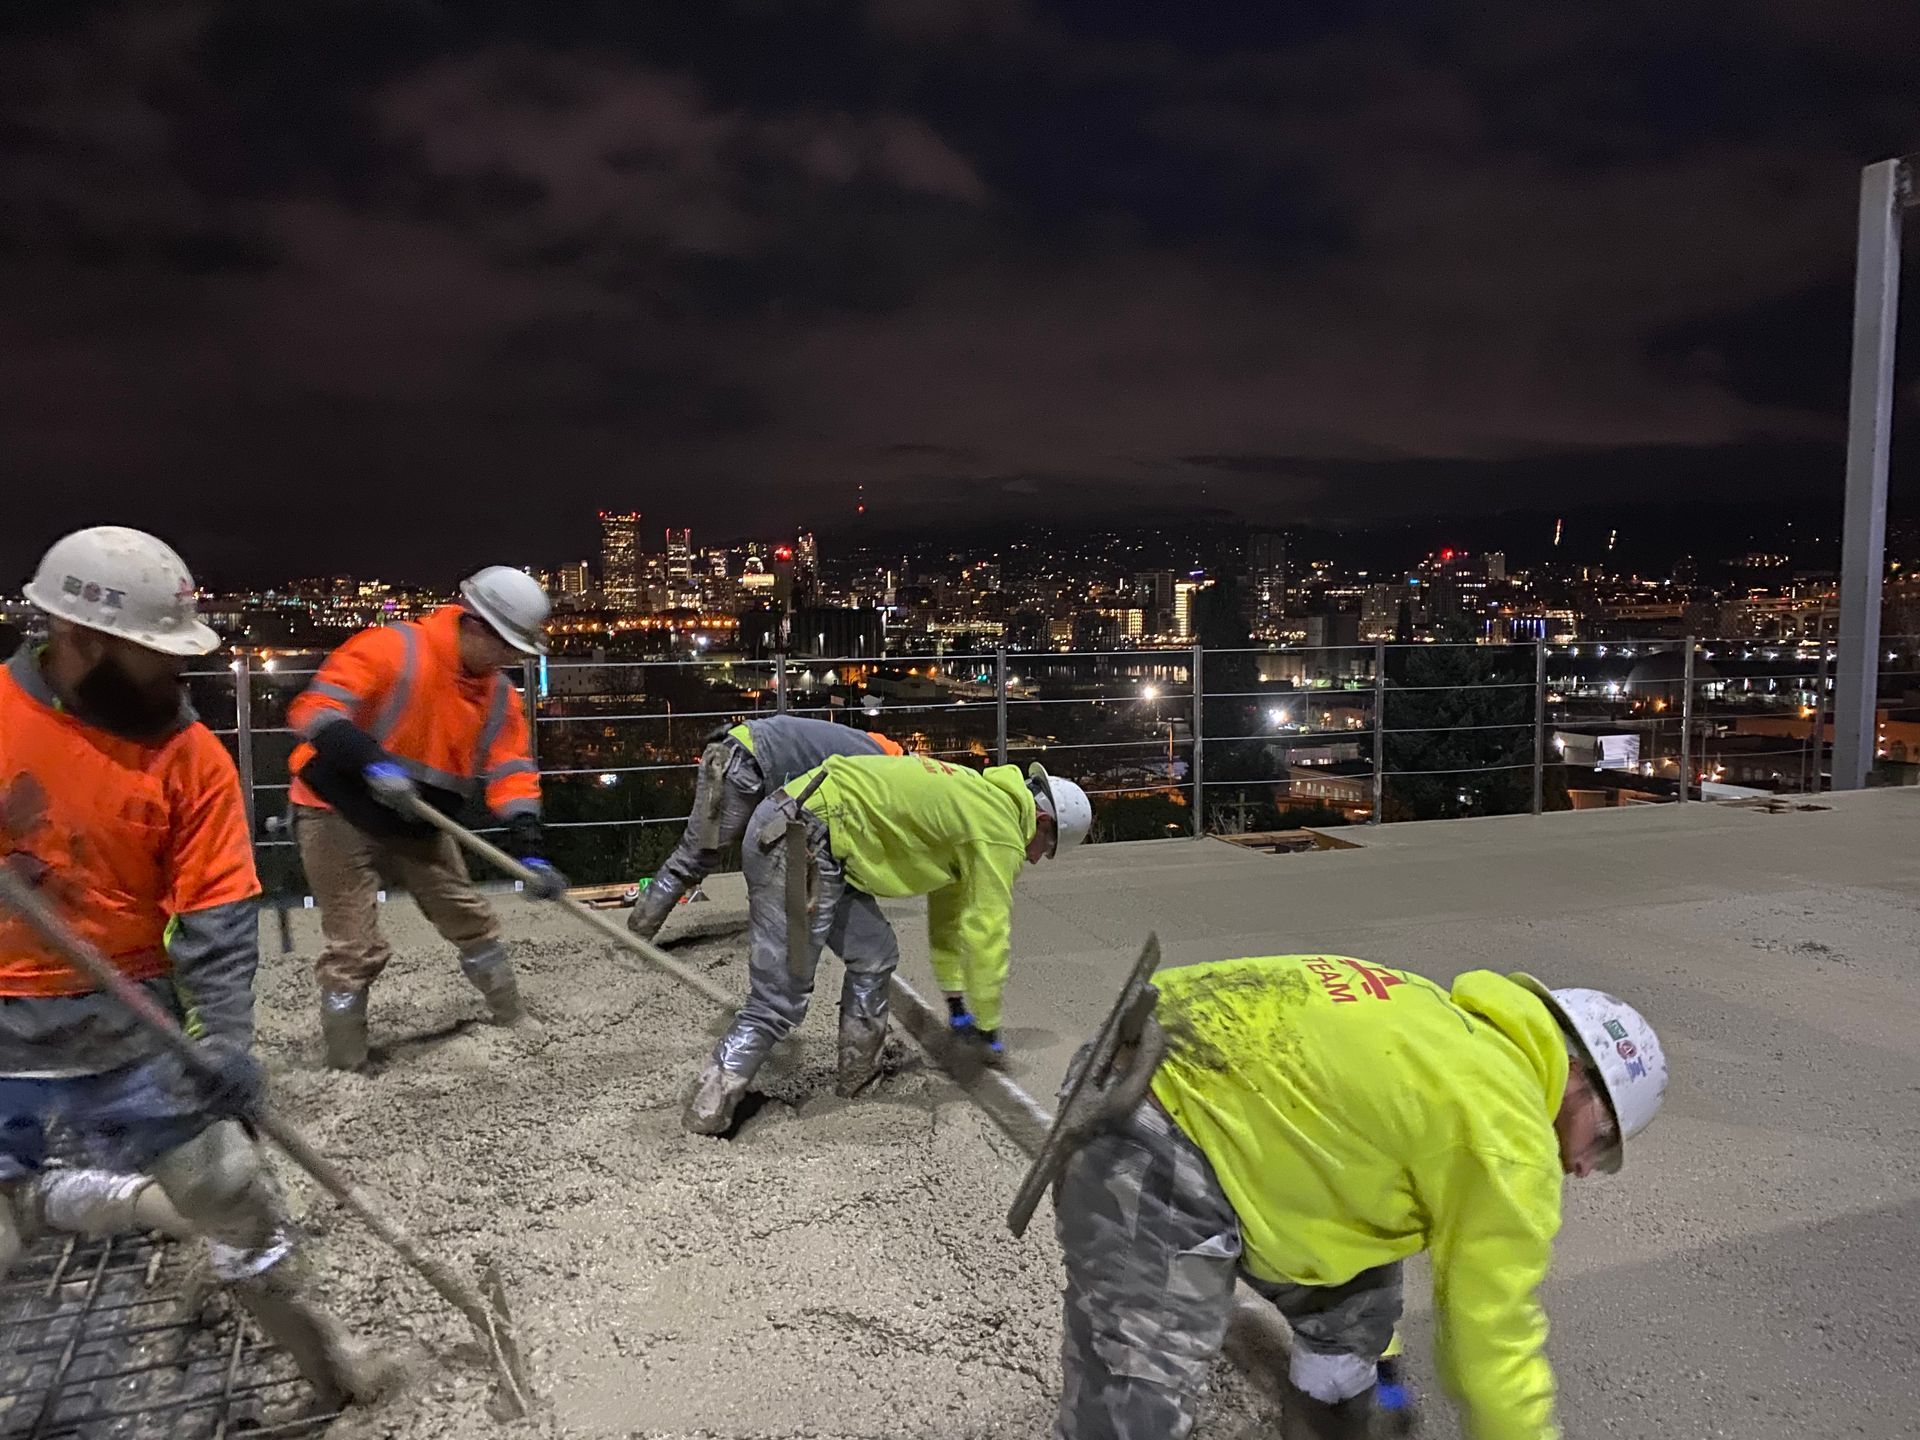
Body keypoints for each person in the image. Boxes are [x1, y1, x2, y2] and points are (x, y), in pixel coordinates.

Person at [0, 526, 381, 1408]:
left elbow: (214, 914)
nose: (178, 678)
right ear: (79, 640)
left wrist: (229, 1044)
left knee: (230, 1186)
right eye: (155, 657)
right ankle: (48, 1200)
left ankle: (328, 1370)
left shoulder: (189, 757)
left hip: (127, 1013)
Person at [1050, 953, 1669, 1440]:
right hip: (1150, 1125)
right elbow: (1494, 1343)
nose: (1586, 1167)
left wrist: (1380, 1348)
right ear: (1580, 1080)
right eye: (1604, 1138)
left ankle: (1325, 1418)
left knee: (1360, 1307)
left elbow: (1356, 1163)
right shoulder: (1511, 1135)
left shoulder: (1445, 1018)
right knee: (1136, 1395)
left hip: (1158, 1050)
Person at [684, 754, 1093, 1135]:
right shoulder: (1002, 831)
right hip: (801, 836)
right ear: (1041, 821)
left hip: (823, 839)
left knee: (875, 953)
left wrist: (955, 1003)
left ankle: (858, 1079)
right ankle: (708, 1109)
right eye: (1048, 848)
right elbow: (988, 936)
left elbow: (949, 912)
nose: (1038, 859)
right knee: (779, 998)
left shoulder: (983, 803)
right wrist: (987, 1027)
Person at [286, 567, 566, 1071]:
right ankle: (346, 1063)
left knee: (471, 919)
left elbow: (512, 771)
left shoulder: (500, 697)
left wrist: (530, 850)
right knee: (354, 945)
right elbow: (314, 709)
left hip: (421, 819)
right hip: (336, 808)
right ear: (474, 625)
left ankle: (512, 1018)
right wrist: (367, 760)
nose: (511, 658)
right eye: (506, 645)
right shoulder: (393, 648)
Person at [628, 714, 903, 942]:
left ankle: (772, 924)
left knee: (767, 851)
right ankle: (635, 937)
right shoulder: (877, 765)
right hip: (746, 764)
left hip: (739, 753)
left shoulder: (865, 745)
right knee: (696, 857)